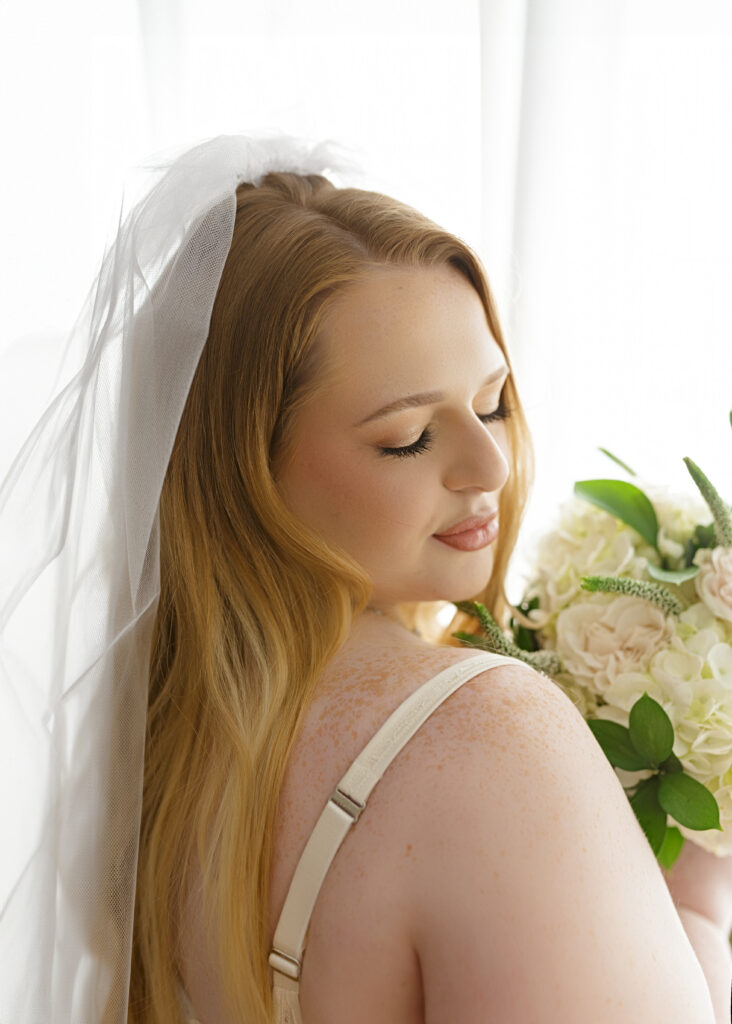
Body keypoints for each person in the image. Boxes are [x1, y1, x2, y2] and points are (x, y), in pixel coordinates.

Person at [0, 134, 724, 1024]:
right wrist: (701, 897)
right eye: (408, 438)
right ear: (246, 470)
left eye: (493, 401)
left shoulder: (163, 746)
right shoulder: (489, 733)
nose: (490, 465)